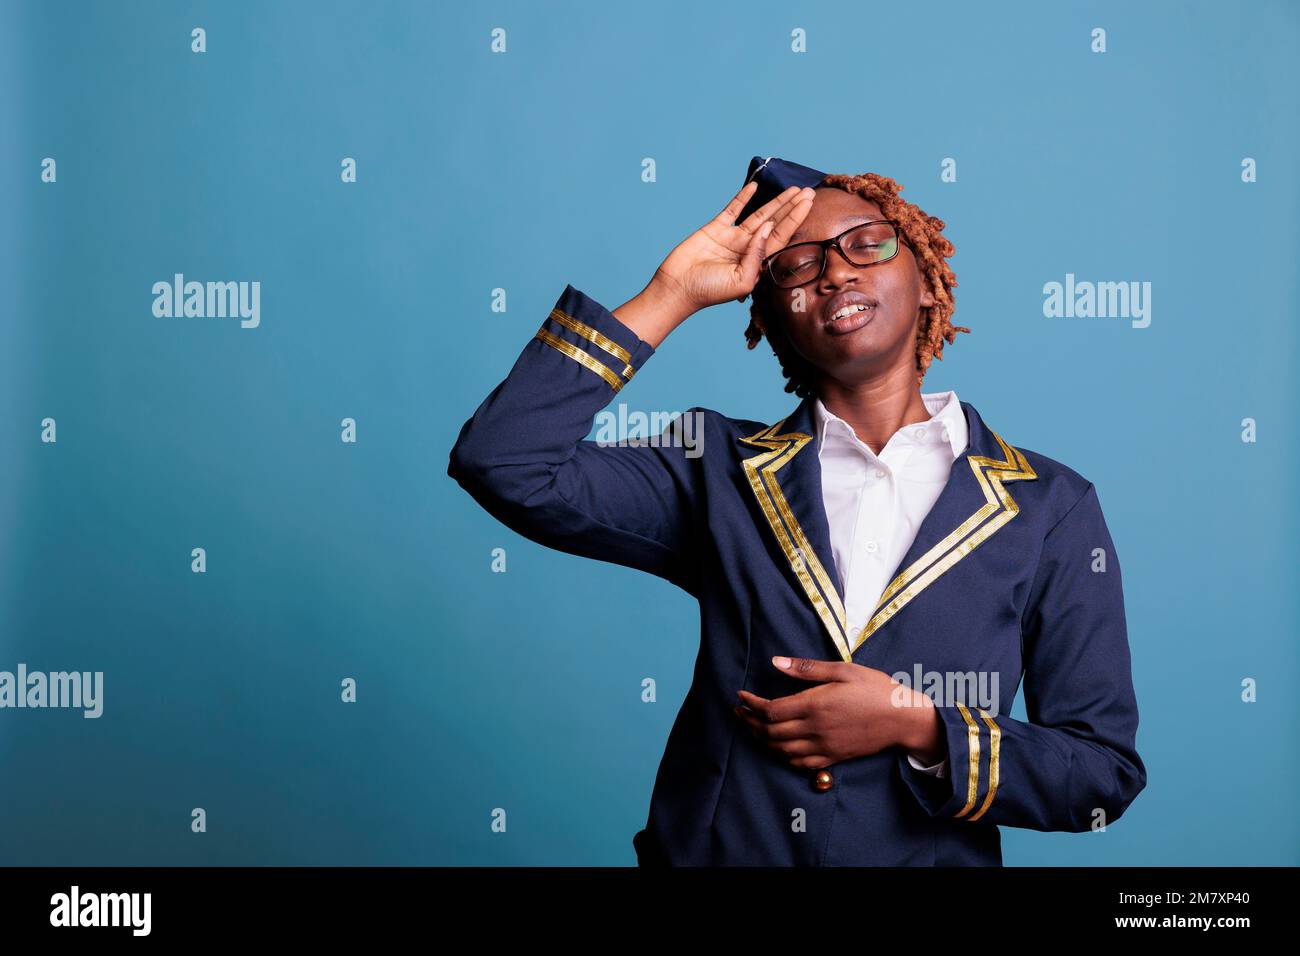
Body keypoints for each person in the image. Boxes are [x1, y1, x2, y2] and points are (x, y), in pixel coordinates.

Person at [447, 155, 1147, 866]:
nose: (836, 273)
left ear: (928, 280)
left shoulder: (1049, 506)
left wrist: (919, 725)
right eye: (797, 264)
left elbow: (1098, 776)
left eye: (866, 245)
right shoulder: (714, 467)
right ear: (775, 314)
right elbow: (504, 462)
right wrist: (673, 294)